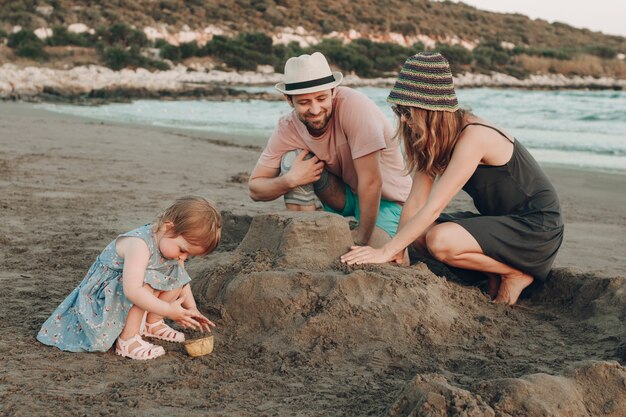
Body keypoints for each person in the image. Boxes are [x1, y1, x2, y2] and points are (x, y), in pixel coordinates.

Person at [341, 52, 564, 305]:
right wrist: (398, 251)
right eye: (397, 109)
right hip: (501, 223)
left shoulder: (475, 136)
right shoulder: (433, 139)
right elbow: (415, 201)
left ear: (431, 110)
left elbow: (434, 207)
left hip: (536, 227)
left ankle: (514, 273)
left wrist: (384, 251)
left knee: (440, 240)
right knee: (419, 234)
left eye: (407, 110)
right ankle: (493, 271)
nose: (402, 118)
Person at [248, 52, 412, 248]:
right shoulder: (288, 126)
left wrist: (360, 240)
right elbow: (255, 189)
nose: (315, 110)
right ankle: (304, 239)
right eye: (304, 102)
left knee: (367, 255)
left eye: (321, 98)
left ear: (333, 91)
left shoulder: (355, 107)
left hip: (388, 201)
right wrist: (290, 180)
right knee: (292, 161)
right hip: (343, 195)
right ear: (289, 100)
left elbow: (371, 182)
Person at [37, 196, 221, 360]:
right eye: (183, 250)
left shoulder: (170, 247)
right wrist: (168, 309)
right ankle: (127, 341)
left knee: (174, 273)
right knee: (146, 284)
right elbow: (133, 290)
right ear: (168, 227)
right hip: (106, 296)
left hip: (131, 292)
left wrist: (192, 308)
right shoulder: (139, 244)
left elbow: (181, 279)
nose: (183, 258)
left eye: (190, 256)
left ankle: (153, 323)